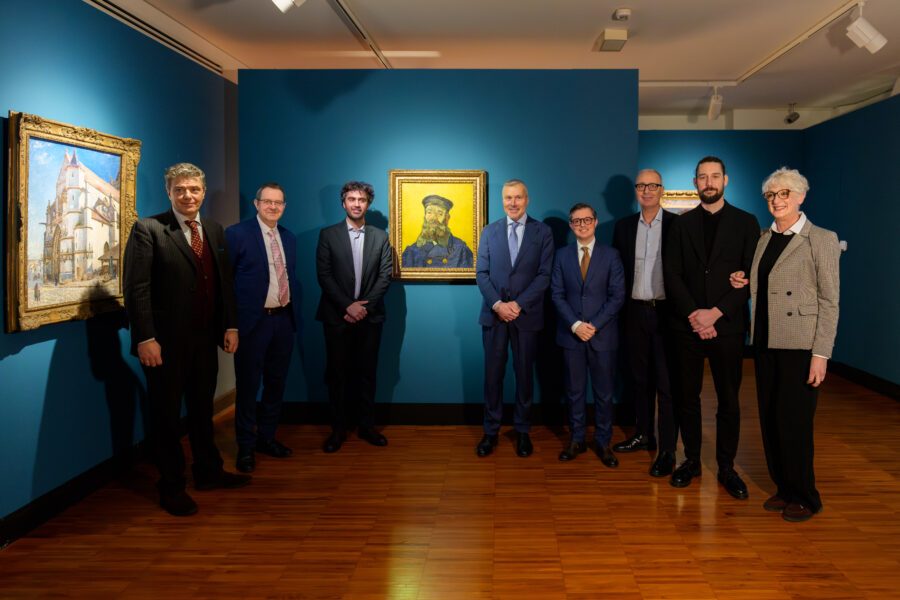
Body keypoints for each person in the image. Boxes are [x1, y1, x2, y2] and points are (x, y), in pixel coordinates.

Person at [123, 162, 249, 516]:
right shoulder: (149, 229)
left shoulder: (214, 230)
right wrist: (145, 337)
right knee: (165, 416)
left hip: (205, 340)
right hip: (163, 345)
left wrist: (230, 326)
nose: (188, 195)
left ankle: (208, 472)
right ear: (169, 192)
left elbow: (223, 283)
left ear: (203, 192)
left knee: (201, 410)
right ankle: (171, 486)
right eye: (180, 190)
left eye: (194, 189)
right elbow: (136, 288)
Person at [729, 167, 839, 522]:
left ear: (801, 196)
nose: (776, 201)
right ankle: (784, 487)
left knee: (795, 423)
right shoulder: (764, 238)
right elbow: (765, 282)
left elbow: (830, 301)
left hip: (800, 345)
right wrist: (742, 279)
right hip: (765, 340)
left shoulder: (821, 238)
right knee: (771, 418)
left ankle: (806, 495)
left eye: (784, 193)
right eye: (771, 195)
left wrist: (821, 354)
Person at [663, 156, 760, 499]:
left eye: (714, 176)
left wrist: (715, 313)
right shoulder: (681, 224)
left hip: (727, 326)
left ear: (725, 180)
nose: (709, 182)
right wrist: (695, 314)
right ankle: (690, 461)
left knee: (728, 400)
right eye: (702, 177)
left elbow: (751, 277)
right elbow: (671, 274)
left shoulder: (746, 222)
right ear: (695, 182)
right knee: (686, 398)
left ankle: (726, 467)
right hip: (686, 325)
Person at [474, 179, 554, 457]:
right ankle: (490, 431)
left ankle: (522, 431)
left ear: (527, 199)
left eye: (518, 197)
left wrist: (518, 304)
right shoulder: (489, 231)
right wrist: (498, 304)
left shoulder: (543, 232)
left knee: (524, 376)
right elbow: (481, 273)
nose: (513, 202)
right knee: (492, 377)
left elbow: (544, 275)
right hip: (494, 316)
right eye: (508, 197)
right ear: (502, 200)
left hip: (526, 316)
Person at [225, 182, 298, 474]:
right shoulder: (236, 234)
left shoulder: (289, 237)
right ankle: (245, 446)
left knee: (276, 384)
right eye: (267, 201)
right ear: (256, 204)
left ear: (284, 207)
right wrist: (231, 326)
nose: (272, 207)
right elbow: (226, 284)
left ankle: (266, 438)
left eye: (278, 203)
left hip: (283, 320)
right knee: (248, 387)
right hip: (252, 324)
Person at [315, 181, 393, 453]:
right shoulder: (328, 235)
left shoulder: (381, 237)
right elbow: (324, 275)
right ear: (343, 203)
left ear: (368, 204)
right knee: (336, 374)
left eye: (361, 200)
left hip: (370, 318)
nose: (356, 204)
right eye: (351, 199)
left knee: (367, 374)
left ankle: (367, 426)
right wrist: (348, 306)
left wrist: (363, 308)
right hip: (337, 317)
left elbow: (385, 276)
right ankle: (338, 430)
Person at [611, 169, 678, 477]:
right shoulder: (623, 227)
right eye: (641, 186)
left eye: (653, 185)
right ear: (636, 191)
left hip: (666, 314)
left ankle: (667, 449)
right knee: (639, 380)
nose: (647, 190)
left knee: (666, 385)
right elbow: (617, 273)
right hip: (634, 312)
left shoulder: (677, 225)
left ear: (662, 190)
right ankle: (643, 434)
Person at [551, 203, 625, 466]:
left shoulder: (611, 255)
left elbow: (617, 296)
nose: (582, 225)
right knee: (574, 392)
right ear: (571, 225)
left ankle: (603, 443)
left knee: (604, 394)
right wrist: (575, 325)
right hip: (571, 336)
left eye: (586, 220)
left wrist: (594, 325)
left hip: (602, 336)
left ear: (595, 222)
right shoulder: (561, 256)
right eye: (576, 221)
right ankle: (577, 439)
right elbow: (556, 294)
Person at [401, 194, 474, 268]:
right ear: (425, 216)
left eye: (440, 214)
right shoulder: (412, 251)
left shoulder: (461, 249)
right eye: (429, 212)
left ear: (447, 218)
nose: (433, 218)